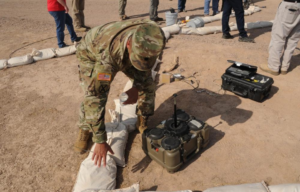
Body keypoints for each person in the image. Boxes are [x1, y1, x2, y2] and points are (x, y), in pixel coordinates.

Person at [74, 19, 166, 167]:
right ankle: (85, 129)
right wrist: (100, 140)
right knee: (91, 92)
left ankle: (142, 120)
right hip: (91, 51)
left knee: (147, 84)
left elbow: (145, 69)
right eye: (138, 59)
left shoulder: (154, 35)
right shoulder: (107, 58)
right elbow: (95, 98)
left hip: (124, 48)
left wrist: (138, 84)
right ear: (129, 45)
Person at [260, 0, 300, 76]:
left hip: (290, 5)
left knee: (278, 37)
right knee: (293, 39)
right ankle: (285, 67)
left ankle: (273, 67)